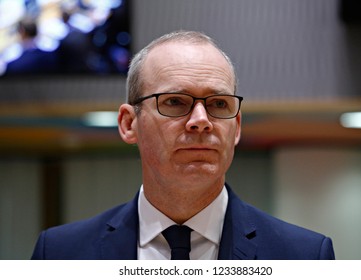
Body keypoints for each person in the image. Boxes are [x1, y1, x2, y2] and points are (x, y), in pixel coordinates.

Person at [31, 30, 335, 260]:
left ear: (237, 126)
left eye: (218, 103)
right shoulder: (60, 253)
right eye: (175, 102)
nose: (201, 120)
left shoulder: (305, 256)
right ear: (128, 124)